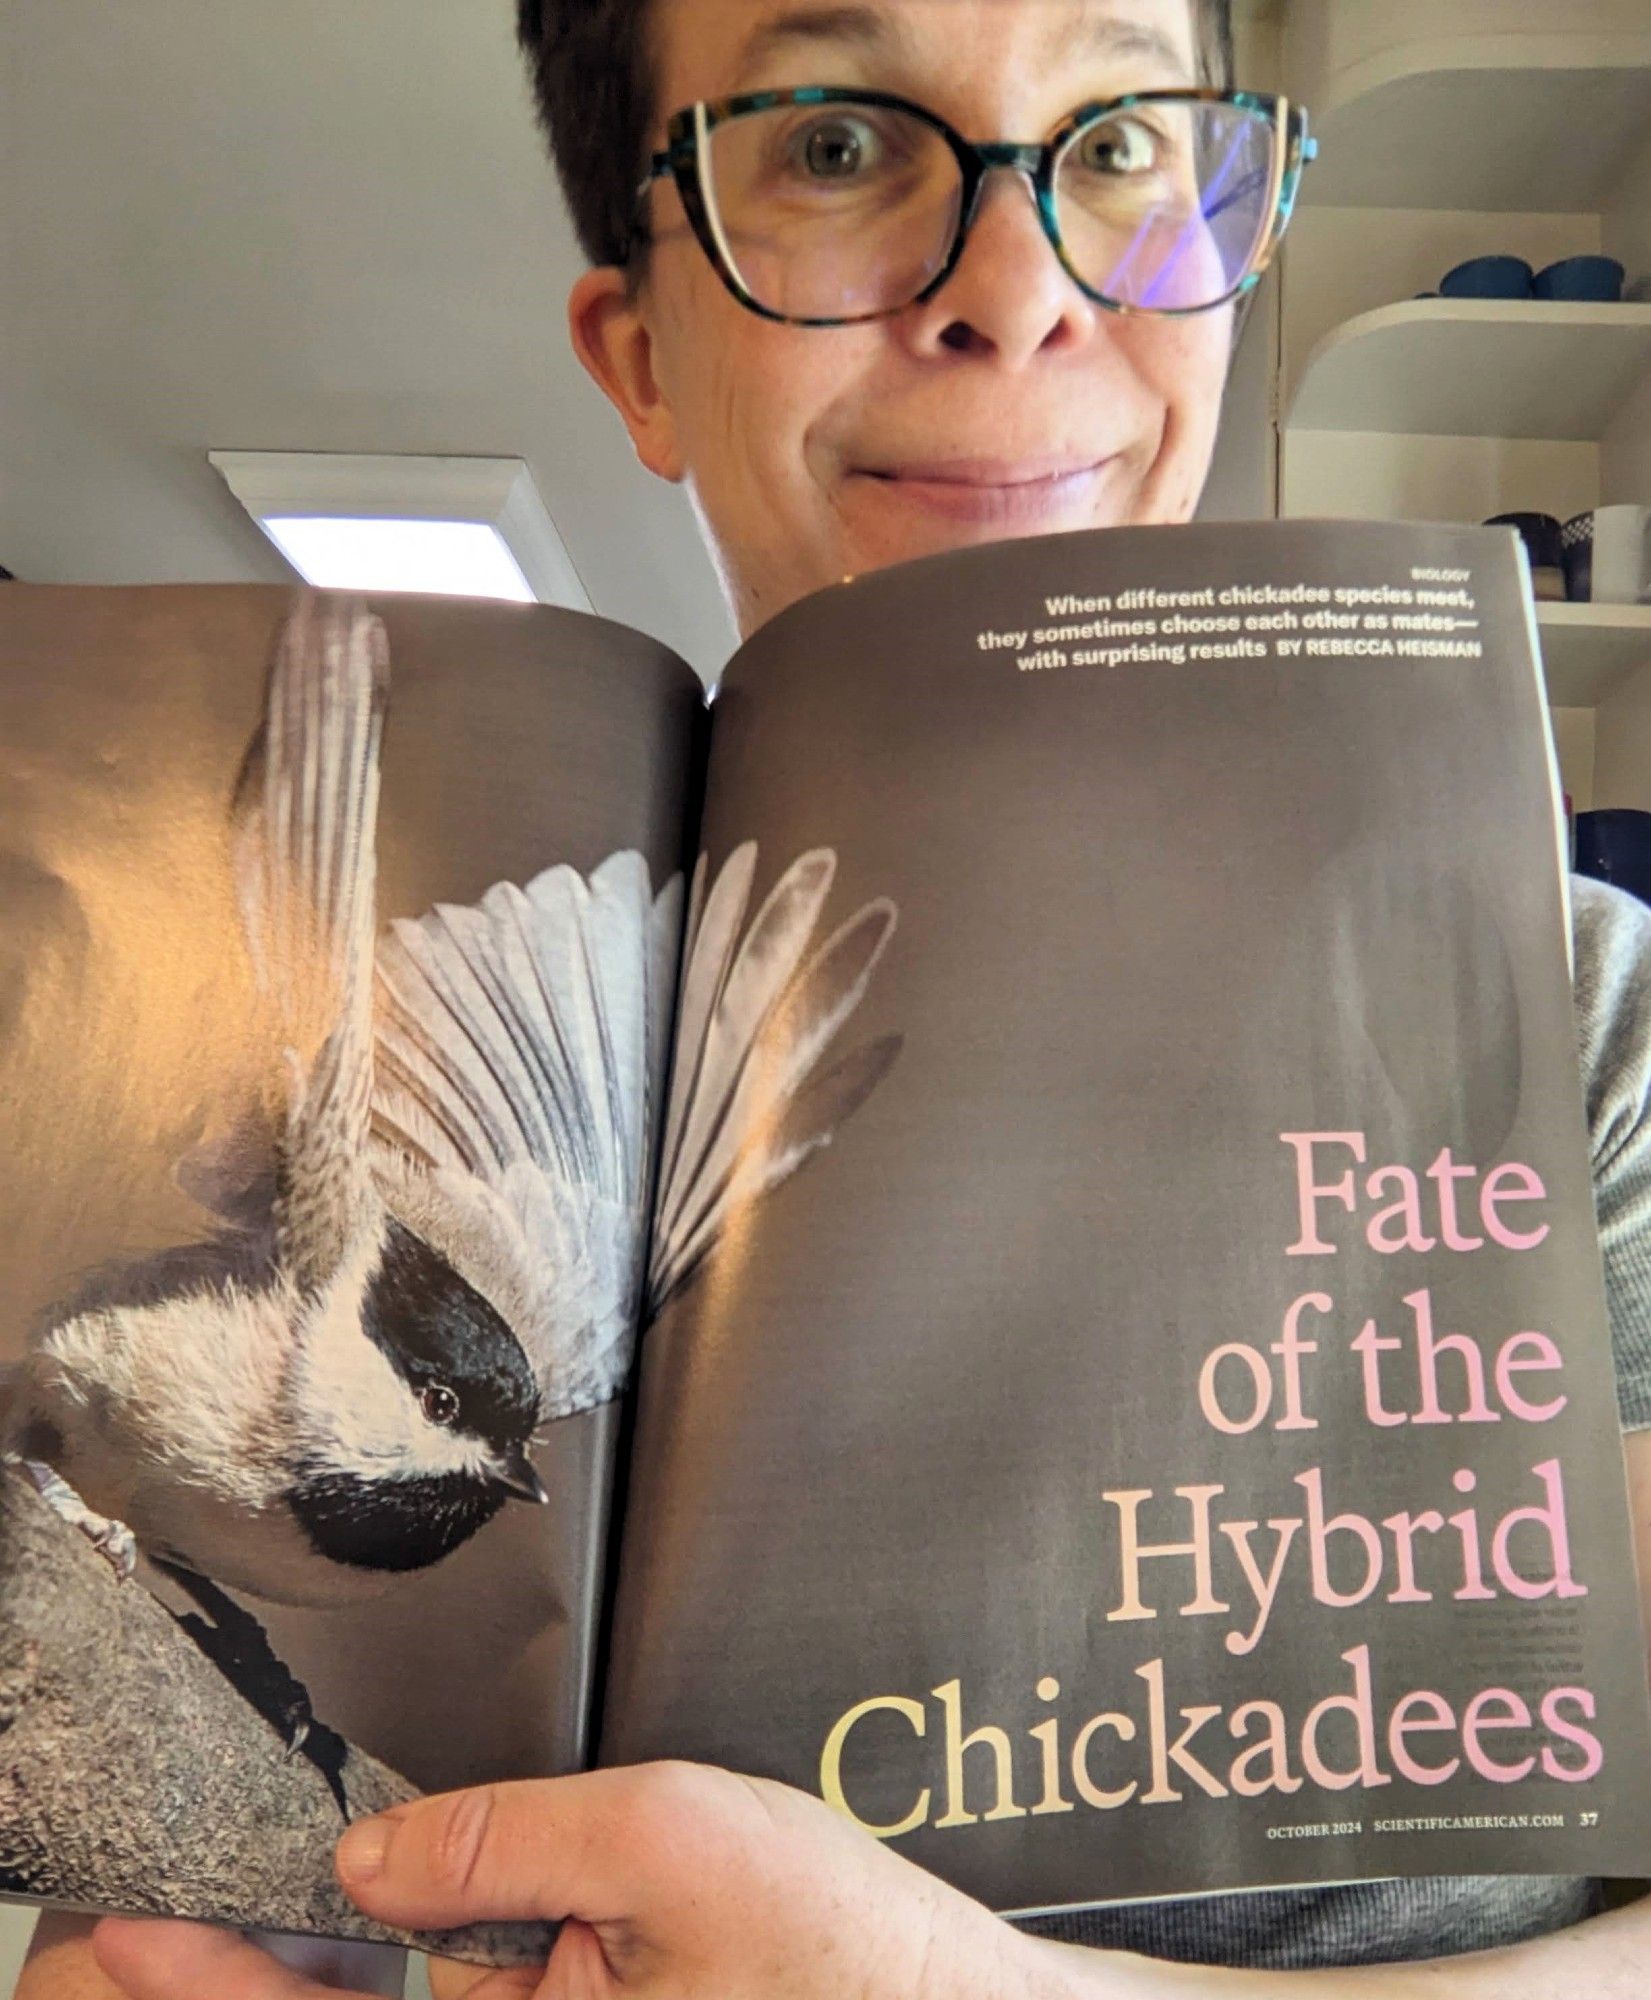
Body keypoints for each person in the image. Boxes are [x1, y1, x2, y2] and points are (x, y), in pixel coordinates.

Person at [24, 0, 1651, 1994]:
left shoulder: (1567, 1004)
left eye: (1121, 141)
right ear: (641, 353)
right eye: (832, 145)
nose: (1017, 287)